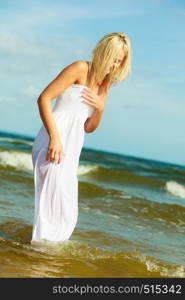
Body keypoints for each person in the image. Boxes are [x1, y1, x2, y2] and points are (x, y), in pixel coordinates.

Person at [31, 32, 131, 244]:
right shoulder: (80, 68)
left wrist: (100, 109)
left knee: (66, 205)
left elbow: (88, 127)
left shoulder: (106, 84)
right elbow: (44, 99)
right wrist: (54, 138)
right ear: (103, 52)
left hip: (72, 148)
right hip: (52, 141)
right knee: (49, 202)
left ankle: (41, 253)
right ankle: (39, 252)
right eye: (113, 58)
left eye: (119, 61)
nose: (114, 65)